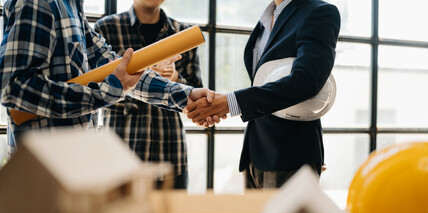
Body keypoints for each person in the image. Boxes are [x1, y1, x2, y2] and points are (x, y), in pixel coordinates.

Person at [0, 0, 215, 157]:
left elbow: (119, 69)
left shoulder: (73, 7)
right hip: (41, 169)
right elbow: (14, 87)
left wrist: (187, 95)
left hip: (75, 165)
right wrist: (110, 91)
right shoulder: (37, 2)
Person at [184, 0, 340, 188]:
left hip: (291, 156)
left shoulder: (320, 13)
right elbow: (264, 82)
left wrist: (230, 102)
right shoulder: (266, 19)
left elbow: (306, 81)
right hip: (254, 154)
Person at [94, 0, 203, 189]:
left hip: (171, 155)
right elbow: (96, 92)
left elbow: (195, 96)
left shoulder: (183, 33)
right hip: (121, 156)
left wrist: (174, 77)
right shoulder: (106, 28)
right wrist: (147, 80)